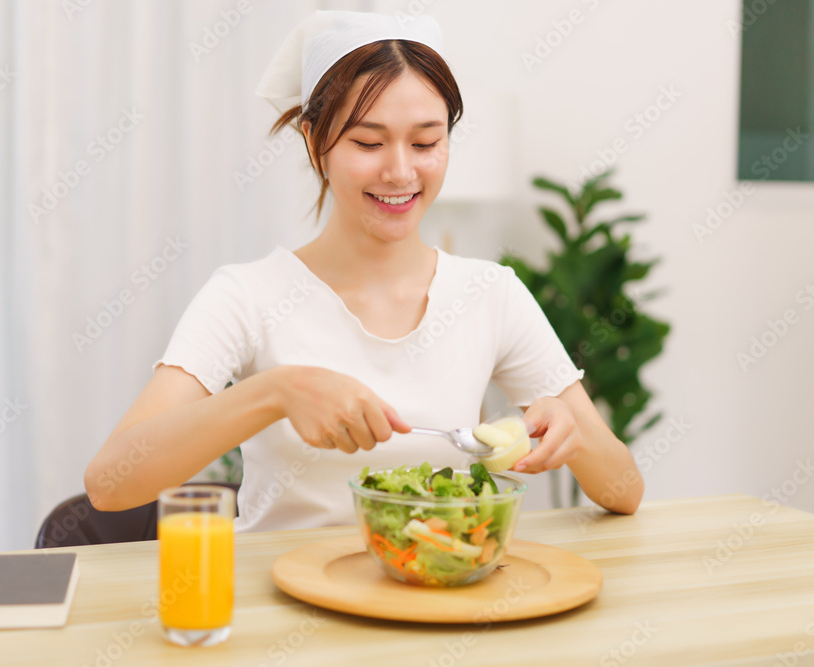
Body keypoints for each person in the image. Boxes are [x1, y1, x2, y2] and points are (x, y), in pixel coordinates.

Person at [84, 10, 643, 531]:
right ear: (314, 141)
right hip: (282, 615)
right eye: (368, 142)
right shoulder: (247, 296)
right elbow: (109, 484)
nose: (400, 171)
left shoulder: (489, 294)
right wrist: (276, 393)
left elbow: (625, 490)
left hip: (433, 602)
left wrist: (576, 439)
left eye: (426, 141)